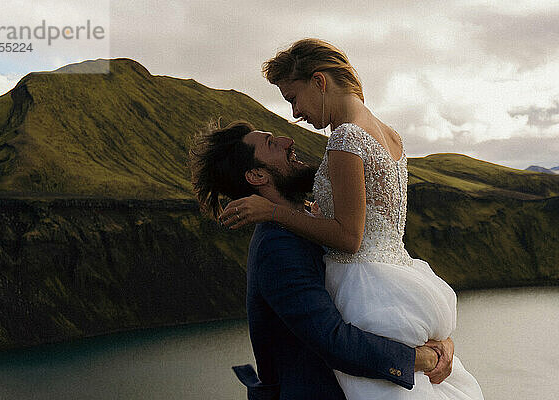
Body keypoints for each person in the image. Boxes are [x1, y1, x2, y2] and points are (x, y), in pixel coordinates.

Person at [219, 39, 484, 399]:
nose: (295, 115)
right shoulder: (390, 135)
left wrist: (273, 211)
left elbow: (349, 237)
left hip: (365, 285)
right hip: (400, 280)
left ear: (319, 81)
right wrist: (423, 353)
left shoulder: (346, 138)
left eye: (292, 98)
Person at [189, 121, 453, 400]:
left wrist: (439, 339)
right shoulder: (277, 247)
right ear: (256, 175)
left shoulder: (312, 221)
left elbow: (377, 291)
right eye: (270, 143)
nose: (287, 140)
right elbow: (333, 340)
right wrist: (423, 359)